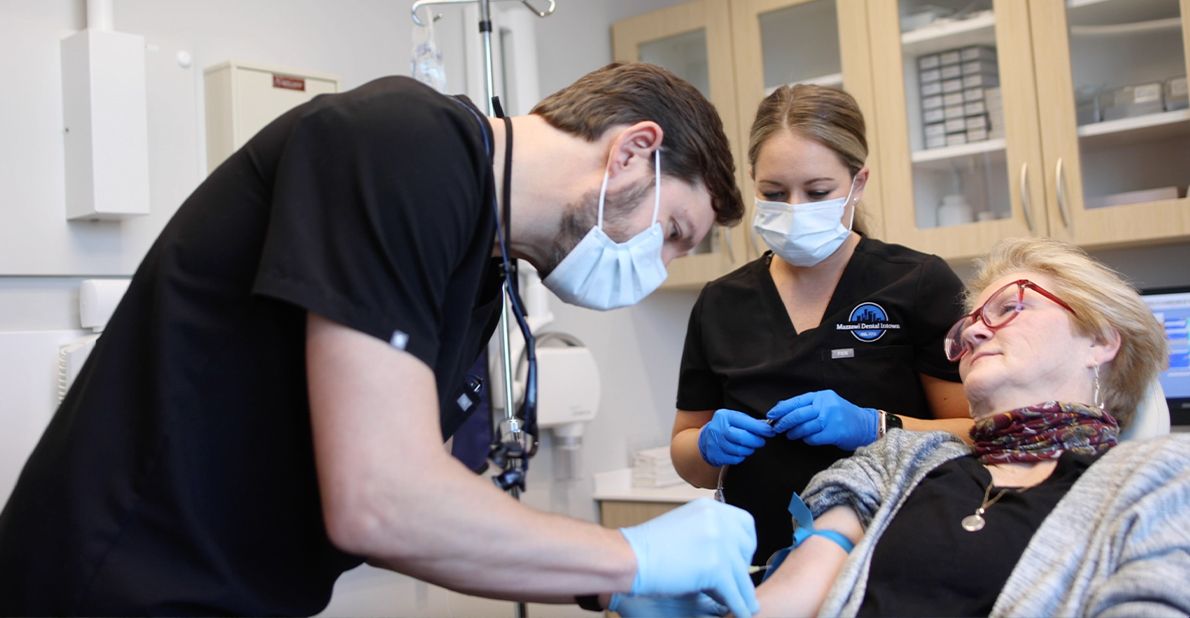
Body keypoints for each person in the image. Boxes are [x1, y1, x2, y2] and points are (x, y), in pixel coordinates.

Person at [0, 63, 764, 617]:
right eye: (672, 232)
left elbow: (415, 506)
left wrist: (600, 584)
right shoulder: (402, 142)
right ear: (632, 149)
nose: (656, 267)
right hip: (115, 584)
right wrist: (635, 557)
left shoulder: (478, 276)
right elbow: (380, 501)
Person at [752, 236, 1189, 617]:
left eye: (1008, 308)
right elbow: (794, 594)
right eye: (969, 325)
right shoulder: (900, 459)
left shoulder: (1160, 480)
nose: (974, 334)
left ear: (1099, 340)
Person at [670, 84, 972, 568]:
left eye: (817, 192)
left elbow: (979, 434)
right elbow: (690, 460)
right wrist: (708, 447)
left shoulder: (916, 283)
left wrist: (875, 427)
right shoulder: (721, 302)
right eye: (773, 192)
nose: (794, 208)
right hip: (760, 566)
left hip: (895, 564)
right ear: (752, 180)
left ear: (858, 181)